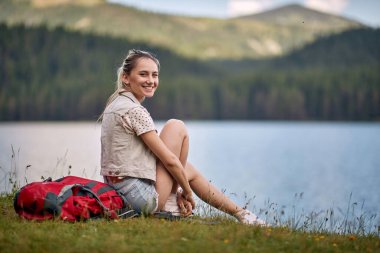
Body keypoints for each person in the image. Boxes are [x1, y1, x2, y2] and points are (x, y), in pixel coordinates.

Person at [100, 49, 265, 225]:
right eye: (143, 74)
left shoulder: (115, 104)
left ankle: (240, 214)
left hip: (118, 189)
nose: (151, 80)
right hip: (138, 197)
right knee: (176, 127)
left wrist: (178, 186)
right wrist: (187, 192)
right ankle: (241, 214)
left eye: (155, 75)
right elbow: (170, 161)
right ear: (126, 77)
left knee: (185, 168)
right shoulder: (134, 110)